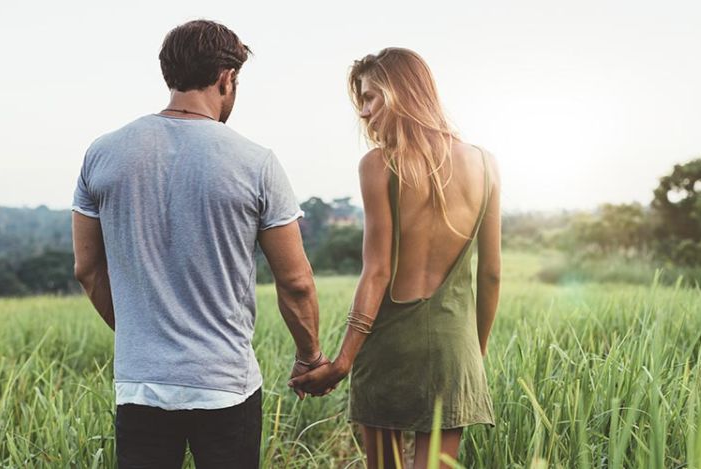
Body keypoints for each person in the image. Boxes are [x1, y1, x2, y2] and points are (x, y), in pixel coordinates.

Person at [71, 20, 327, 469]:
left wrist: (142, 335)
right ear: (227, 78)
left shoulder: (102, 153)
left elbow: (87, 269)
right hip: (225, 384)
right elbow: (296, 282)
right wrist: (310, 357)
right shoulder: (256, 162)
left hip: (140, 386)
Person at [289, 47, 501, 469]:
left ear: (400, 92)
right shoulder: (485, 163)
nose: (364, 113)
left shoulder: (379, 165)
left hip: (386, 347)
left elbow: (377, 271)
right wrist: (473, 354)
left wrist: (342, 361)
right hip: (452, 348)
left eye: (370, 98)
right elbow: (492, 274)